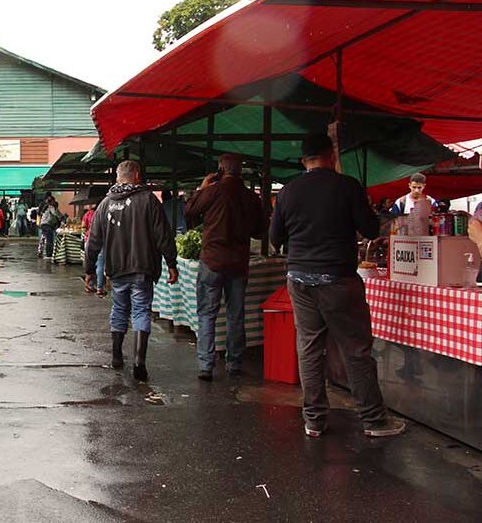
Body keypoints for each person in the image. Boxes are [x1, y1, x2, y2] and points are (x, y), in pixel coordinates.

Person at [270, 134, 405, 438]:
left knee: (309, 349)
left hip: (299, 279)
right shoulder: (347, 186)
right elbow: (370, 229)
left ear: (304, 160)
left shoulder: (289, 191)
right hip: (338, 280)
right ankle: (373, 420)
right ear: (330, 154)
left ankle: (314, 421)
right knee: (355, 349)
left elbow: (275, 238)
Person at [85, 160, 178, 380]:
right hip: (143, 266)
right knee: (140, 311)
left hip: (117, 268)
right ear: (137, 175)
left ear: (118, 177)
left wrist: (89, 269)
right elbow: (163, 236)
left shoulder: (106, 203)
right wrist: (172, 263)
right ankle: (139, 361)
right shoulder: (148, 200)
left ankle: (117, 356)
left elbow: (93, 240)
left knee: (119, 309)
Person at [184, 154, 265, 381]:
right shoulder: (251, 198)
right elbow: (260, 231)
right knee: (235, 314)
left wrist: (202, 188)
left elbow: (189, 211)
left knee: (207, 314)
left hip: (212, 260)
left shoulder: (213, 191)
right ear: (241, 171)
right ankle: (234, 363)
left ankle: (206, 365)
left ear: (220, 170)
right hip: (238, 263)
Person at [82, 201, 106, 297]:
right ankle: (99, 288)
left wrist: (88, 231)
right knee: (100, 264)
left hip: (89, 240)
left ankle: (90, 285)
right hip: (101, 241)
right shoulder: (103, 213)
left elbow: (83, 226)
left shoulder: (88, 214)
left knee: (90, 261)